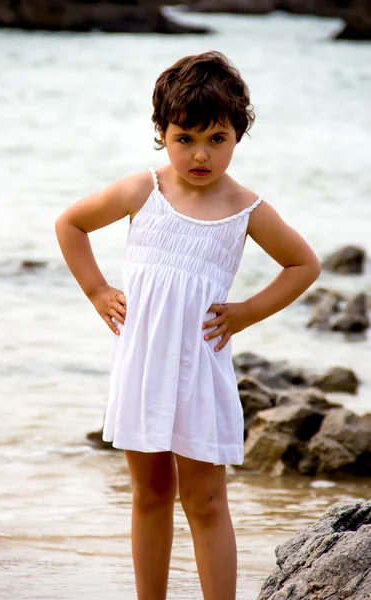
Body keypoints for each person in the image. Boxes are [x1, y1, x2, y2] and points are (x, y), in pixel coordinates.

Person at [55, 51, 321, 600]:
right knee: (149, 493)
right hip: (144, 365)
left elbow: (304, 264)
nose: (200, 154)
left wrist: (246, 312)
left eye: (217, 139)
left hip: (200, 368)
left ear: (238, 135)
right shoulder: (142, 191)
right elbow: (71, 223)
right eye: (185, 138)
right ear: (161, 132)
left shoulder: (247, 209)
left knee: (205, 501)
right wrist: (98, 290)